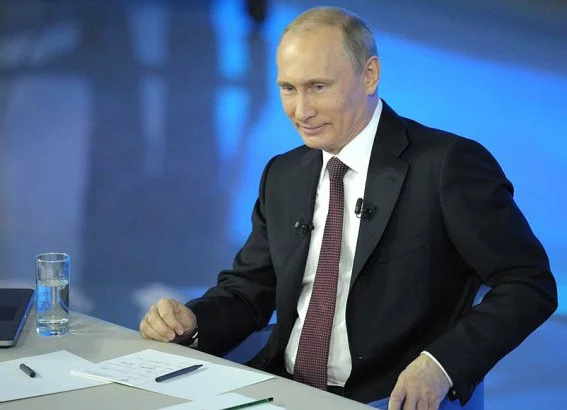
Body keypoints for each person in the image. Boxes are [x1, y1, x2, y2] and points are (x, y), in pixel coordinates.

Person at [139, 7, 557, 409]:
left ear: (369, 75)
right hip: (280, 390)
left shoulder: (446, 166)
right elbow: (249, 292)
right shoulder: (283, 174)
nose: (301, 111)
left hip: (385, 398)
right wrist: (192, 321)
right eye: (288, 88)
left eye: (318, 87)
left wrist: (441, 364)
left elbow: (528, 284)